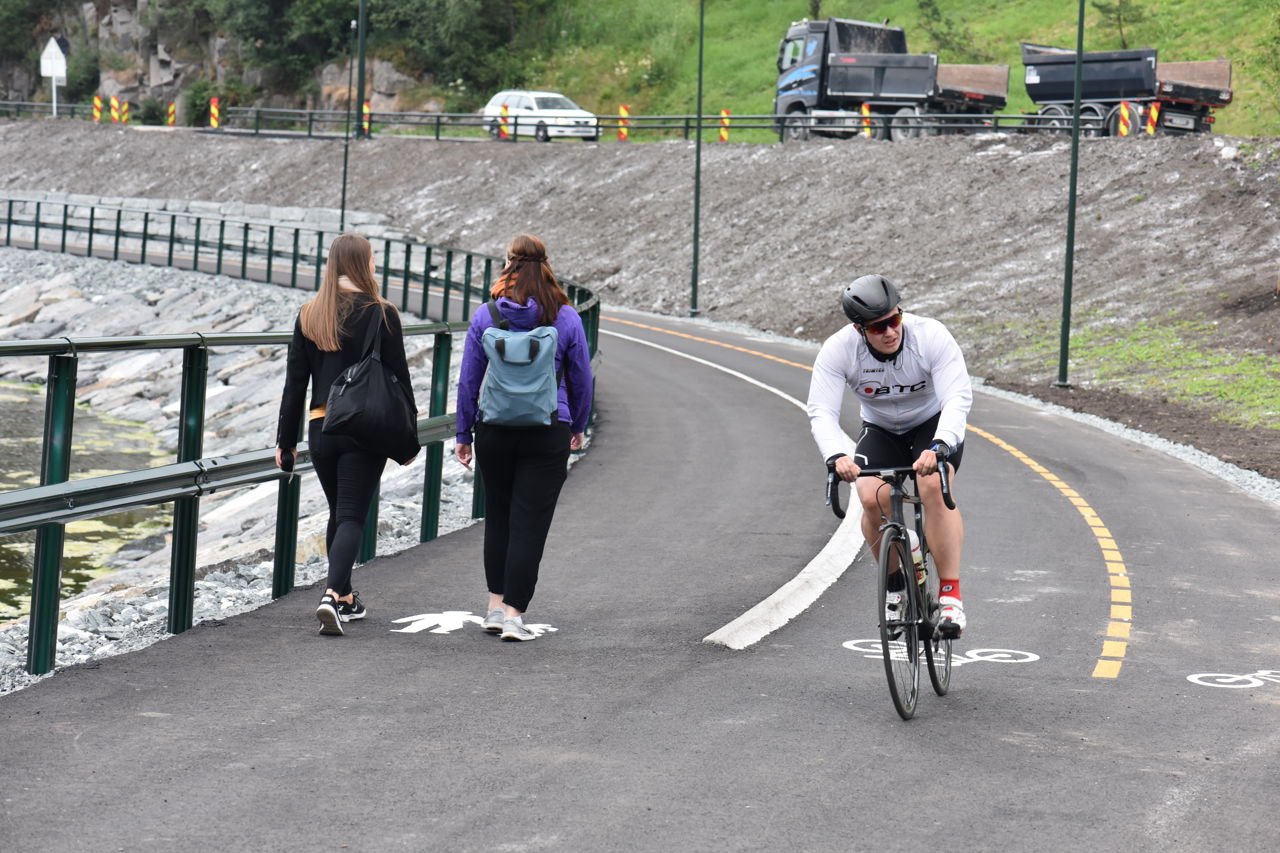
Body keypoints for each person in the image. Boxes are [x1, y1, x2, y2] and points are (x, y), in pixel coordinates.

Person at [806, 274, 972, 637]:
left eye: (895, 319)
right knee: (870, 498)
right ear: (859, 329)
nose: (890, 331)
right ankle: (896, 586)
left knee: (932, 487)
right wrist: (836, 455)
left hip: (931, 425)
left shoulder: (931, 337)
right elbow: (821, 411)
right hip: (881, 429)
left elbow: (957, 397)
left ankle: (950, 598)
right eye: (878, 327)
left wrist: (941, 443)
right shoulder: (838, 350)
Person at [276, 233, 417, 636]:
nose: (374, 265)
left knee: (340, 511)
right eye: (372, 259)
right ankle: (331, 594)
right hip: (365, 429)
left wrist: (285, 442)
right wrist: (407, 441)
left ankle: (347, 598)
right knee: (353, 514)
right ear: (363, 264)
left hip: (322, 429)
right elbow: (399, 381)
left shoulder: (309, 313)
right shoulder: (382, 313)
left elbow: (294, 385)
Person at [454, 234, 593, 642]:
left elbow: (468, 380)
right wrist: (577, 424)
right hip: (547, 429)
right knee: (529, 523)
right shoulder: (564, 317)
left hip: (494, 429)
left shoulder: (487, 315)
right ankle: (515, 615)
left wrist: (465, 432)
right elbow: (581, 377)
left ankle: (494, 608)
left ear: (508, 265)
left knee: (498, 517)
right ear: (547, 265)